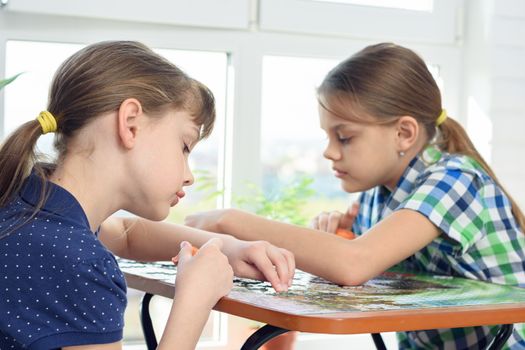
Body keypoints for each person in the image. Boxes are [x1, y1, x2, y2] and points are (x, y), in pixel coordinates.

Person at [185, 43, 525, 349]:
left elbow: (353, 263)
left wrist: (231, 220)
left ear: (404, 133)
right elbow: (348, 266)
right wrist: (336, 239)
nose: (330, 153)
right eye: (328, 137)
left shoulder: (455, 179)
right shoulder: (379, 197)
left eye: (344, 137)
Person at [0, 41, 294, 350]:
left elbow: (125, 234)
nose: (189, 175)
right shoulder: (79, 262)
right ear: (131, 124)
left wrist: (229, 249)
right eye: (184, 146)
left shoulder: (31, 204)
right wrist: (194, 300)